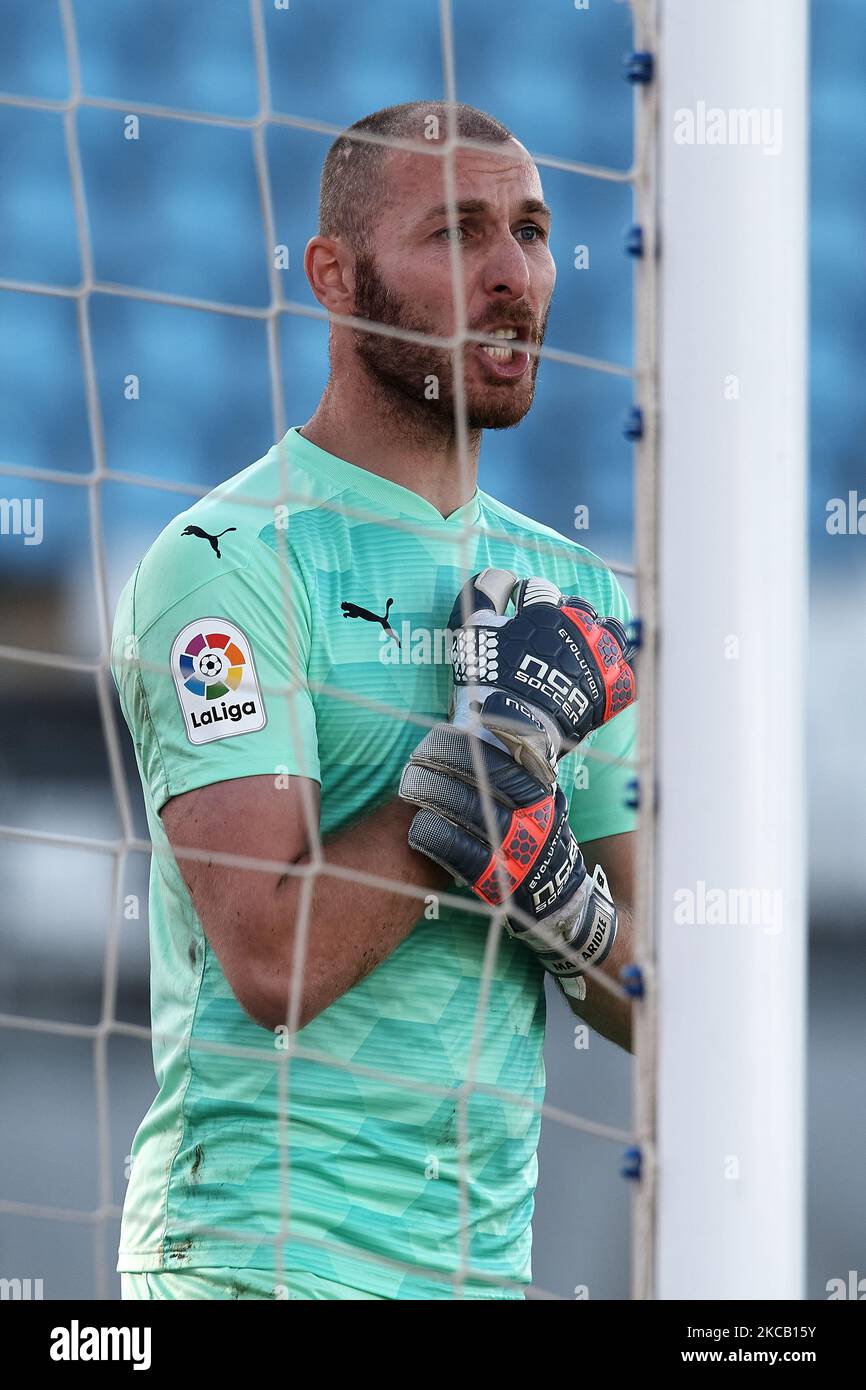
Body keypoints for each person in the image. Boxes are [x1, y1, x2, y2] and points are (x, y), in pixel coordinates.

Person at [112, 101, 637, 1302]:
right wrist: (480, 771)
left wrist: (558, 893)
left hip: (478, 1274)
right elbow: (272, 964)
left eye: (531, 229)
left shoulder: (575, 592)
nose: (511, 273)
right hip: (249, 1266)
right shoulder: (226, 563)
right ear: (334, 277)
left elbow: (658, 1008)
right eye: (454, 233)